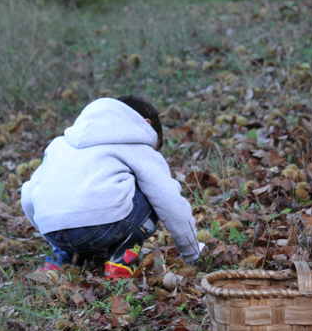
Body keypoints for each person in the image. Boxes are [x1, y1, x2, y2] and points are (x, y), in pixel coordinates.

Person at [21, 96, 202, 280]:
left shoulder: (60, 144)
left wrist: (51, 227)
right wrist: (191, 252)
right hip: (102, 228)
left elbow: (28, 194)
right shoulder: (136, 144)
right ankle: (120, 260)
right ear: (146, 124)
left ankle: (60, 259)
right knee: (153, 189)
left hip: (53, 230)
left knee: (65, 199)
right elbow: (168, 199)